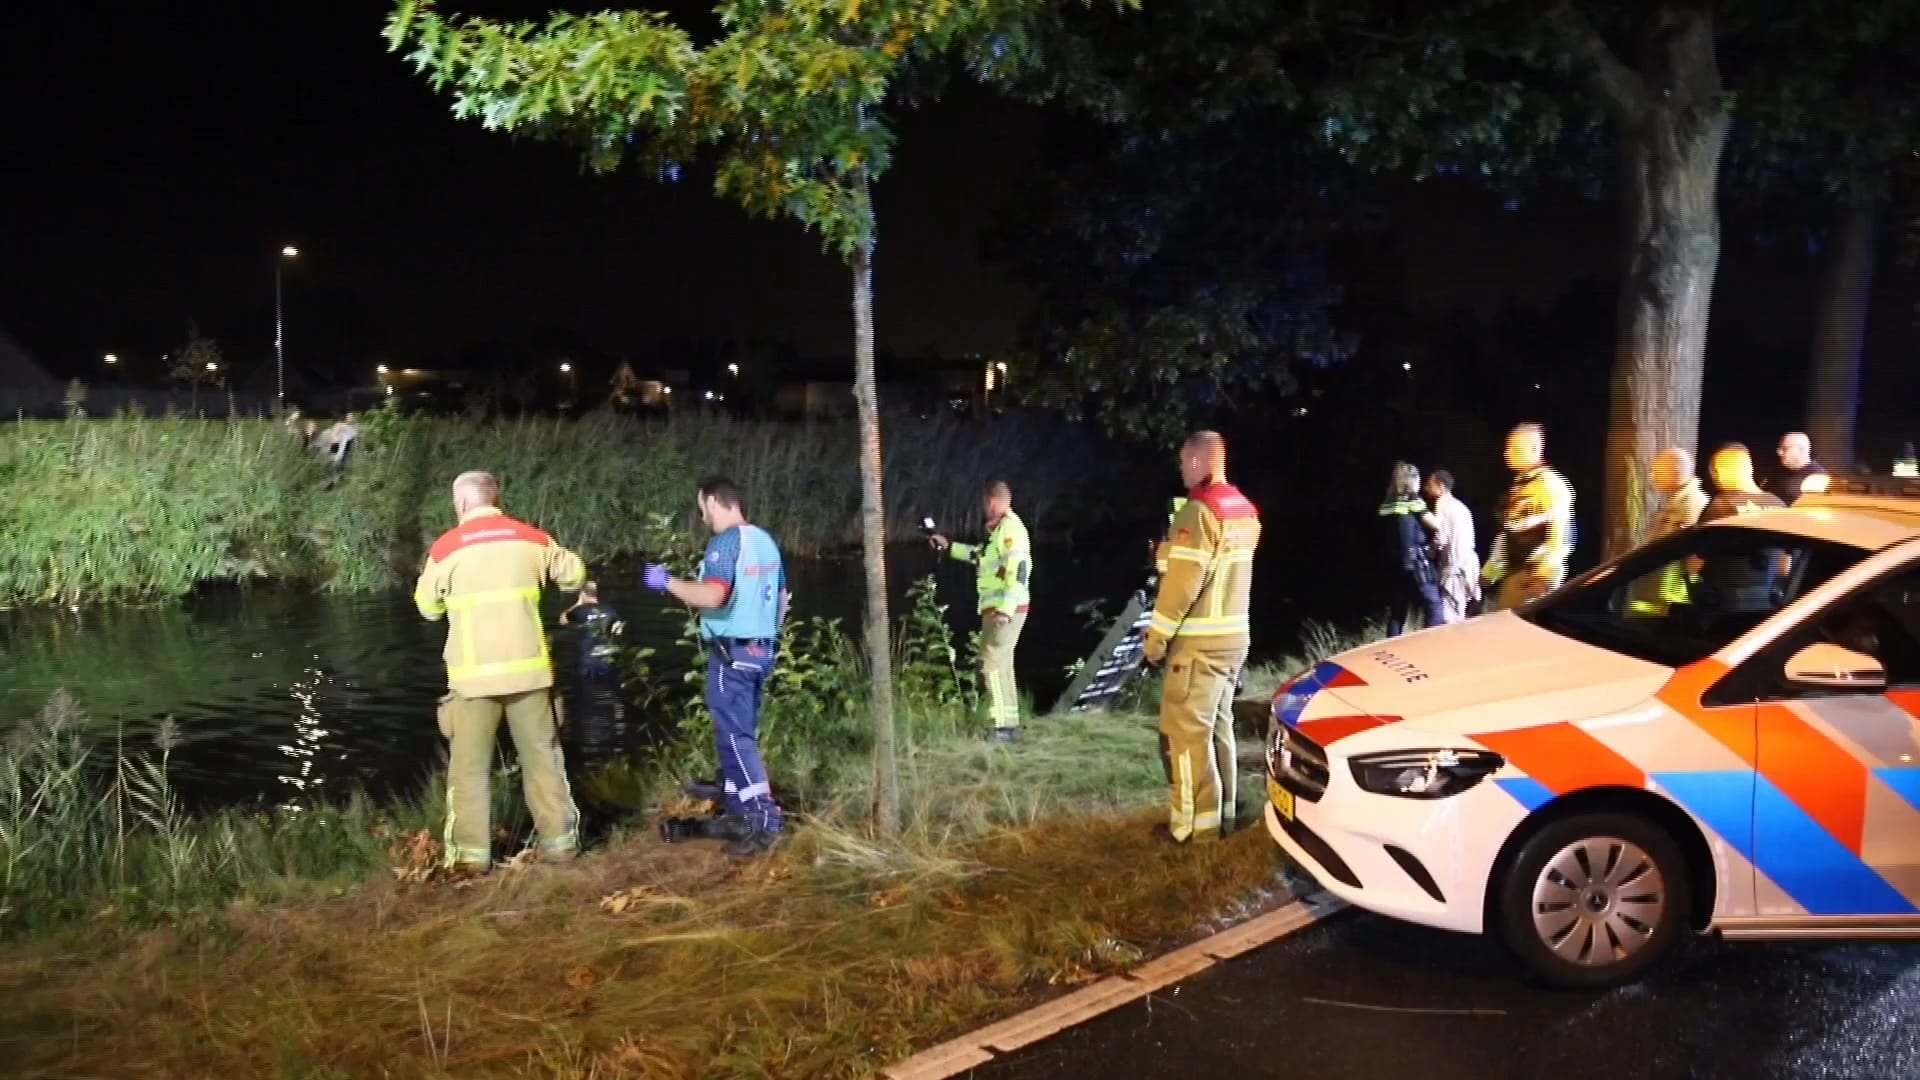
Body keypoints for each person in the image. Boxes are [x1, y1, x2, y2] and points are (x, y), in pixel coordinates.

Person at [413, 470, 586, 874]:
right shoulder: (533, 539)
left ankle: (471, 861)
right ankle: (561, 847)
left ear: (461, 504)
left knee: (469, 772)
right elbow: (575, 574)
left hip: (473, 682)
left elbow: (426, 607)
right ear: (496, 498)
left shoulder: (446, 548)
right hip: (530, 675)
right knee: (544, 759)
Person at [643, 477, 789, 859]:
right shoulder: (766, 542)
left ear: (713, 501)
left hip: (731, 653)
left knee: (736, 735)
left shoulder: (726, 542)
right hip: (762, 649)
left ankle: (764, 821)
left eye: (701, 507)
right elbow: (783, 599)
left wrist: (666, 582)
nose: (702, 515)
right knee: (739, 733)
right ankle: (736, 801)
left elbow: (714, 594)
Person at [1143, 431, 1261, 845]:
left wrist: (1155, 641)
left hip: (1197, 644)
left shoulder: (1197, 512)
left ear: (1198, 461)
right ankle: (1226, 814)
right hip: (1234, 639)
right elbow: (1215, 572)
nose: (1180, 468)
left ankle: (1192, 830)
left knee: (1186, 736)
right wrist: (1169, 554)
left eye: (1183, 461)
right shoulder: (1244, 510)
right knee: (1218, 728)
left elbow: (1182, 587)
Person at [929, 480, 1033, 742]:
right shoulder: (999, 532)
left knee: (989, 664)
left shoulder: (1011, 531)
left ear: (992, 501)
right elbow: (981, 556)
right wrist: (948, 546)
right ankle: (1009, 724)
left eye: (985, 503)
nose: (983, 508)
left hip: (1004, 609)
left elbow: (1018, 573)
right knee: (1002, 664)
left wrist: (1005, 610)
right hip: (1002, 608)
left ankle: (1001, 728)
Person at [1482, 423, 1575, 610]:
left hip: (1532, 577)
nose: (1507, 453)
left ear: (1534, 449)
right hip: (1517, 574)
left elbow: (1561, 535)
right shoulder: (1522, 485)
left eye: (1515, 448)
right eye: (1507, 448)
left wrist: (1544, 577)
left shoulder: (1549, 485)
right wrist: (1489, 573)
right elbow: (1510, 533)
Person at [1379, 462, 1444, 635]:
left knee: (1397, 611)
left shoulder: (1386, 504)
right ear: (1412, 480)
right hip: (1416, 561)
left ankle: (1392, 644)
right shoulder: (1412, 500)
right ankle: (1432, 643)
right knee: (1434, 604)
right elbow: (1436, 525)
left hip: (1394, 562)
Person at [1421, 469, 1480, 623]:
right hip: (1468, 566)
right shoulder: (1461, 507)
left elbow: (1441, 537)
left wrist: (1429, 552)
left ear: (1440, 486)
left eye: (1429, 485)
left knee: (1450, 619)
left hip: (1455, 570)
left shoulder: (1442, 505)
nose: (1425, 489)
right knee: (1459, 614)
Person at [560, 580, 624, 679]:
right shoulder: (609, 609)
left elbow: (563, 620)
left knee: (587, 689)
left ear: (582, 593)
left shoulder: (579, 610)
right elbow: (619, 631)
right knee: (606, 689)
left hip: (587, 660)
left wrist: (578, 603)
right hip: (606, 658)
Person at [1769, 431, 1829, 505]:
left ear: (1801, 450)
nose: (1779, 452)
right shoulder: (1781, 475)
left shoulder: (1817, 478)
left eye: (1784, 448)